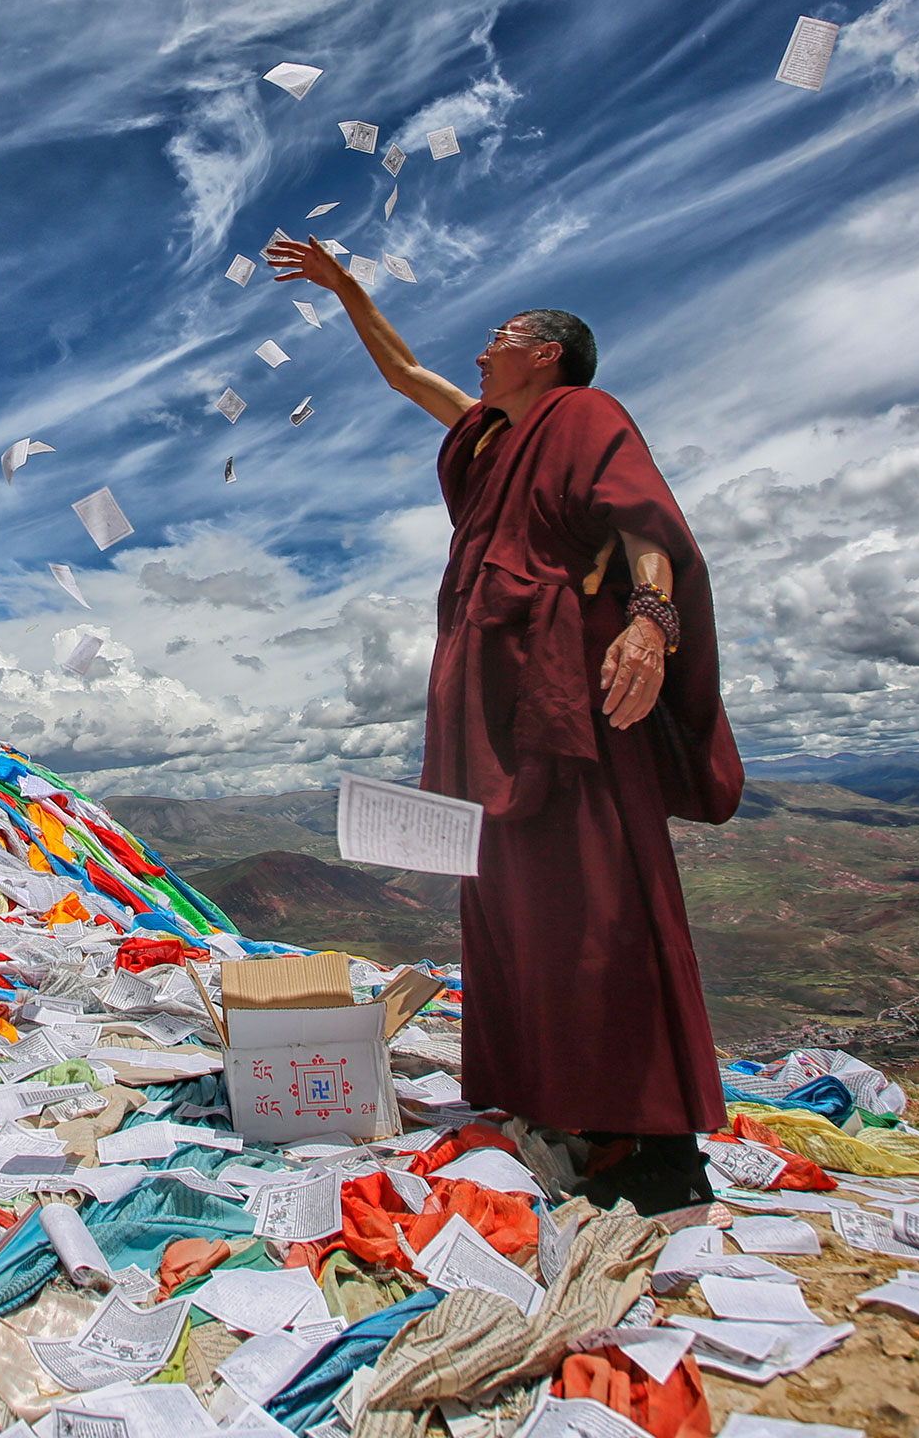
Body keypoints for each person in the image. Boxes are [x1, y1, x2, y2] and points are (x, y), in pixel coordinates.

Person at [270, 238, 746, 1217]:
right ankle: (549, 1104)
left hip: (564, 689)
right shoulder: (489, 437)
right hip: (487, 699)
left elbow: (644, 527)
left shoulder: (585, 416)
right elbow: (406, 373)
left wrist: (650, 625)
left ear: (546, 353)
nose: (482, 351)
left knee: (599, 899)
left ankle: (656, 1145)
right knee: (510, 904)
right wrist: (345, 288)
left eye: (499, 336)